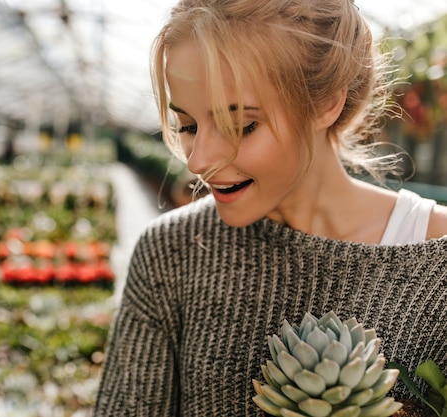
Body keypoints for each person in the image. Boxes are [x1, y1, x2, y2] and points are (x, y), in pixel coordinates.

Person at [93, 0, 447, 415]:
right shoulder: (173, 253)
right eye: (187, 126)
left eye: (241, 126)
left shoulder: (437, 266)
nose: (198, 160)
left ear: (326, 104)